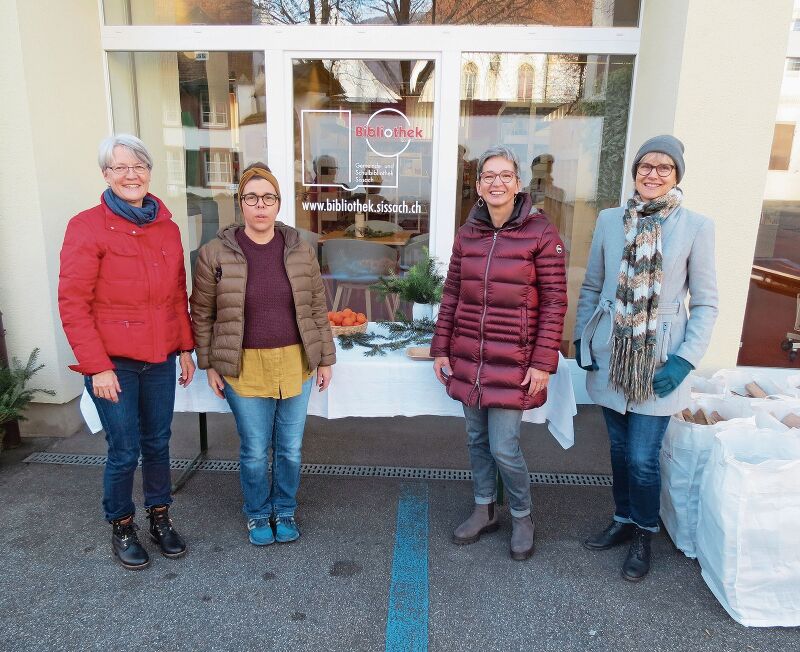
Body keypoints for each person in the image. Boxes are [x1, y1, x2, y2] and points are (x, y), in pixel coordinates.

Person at [574, 135, 718, 582]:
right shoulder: (610, 219)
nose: (653, 174)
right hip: (611, 353)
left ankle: (643, 531)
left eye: (664, 168)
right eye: (645, 166)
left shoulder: (696, 226)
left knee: (642, 456)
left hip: (659, 360)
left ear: (676, 175)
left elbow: (708, 303)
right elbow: (593, 287)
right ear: (635, 171)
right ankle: (622, 518)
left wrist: (685, 360)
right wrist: (584, 339)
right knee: (618, 449)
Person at [58, 134, 195, 570]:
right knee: (124, 449)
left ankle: (160, 518)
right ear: (105, 175)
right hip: (112, 363)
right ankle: (121, 524)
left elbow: (177, 294)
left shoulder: (167, 227)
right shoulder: (86, 226)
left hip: (159, 357)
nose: (131, 175)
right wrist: (97, 367)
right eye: (120, 167)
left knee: (158, 443)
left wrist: (186, 347)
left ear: (149, 172)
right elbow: (73, 303)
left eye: (138, 166)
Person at [430, 145, 567, 561]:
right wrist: (441, 348)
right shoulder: (468, 233)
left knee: (504, 444)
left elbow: (556, 302)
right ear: (477, 186)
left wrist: (544, 361)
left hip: (516, 358)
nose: (497, 183)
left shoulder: (541, 233)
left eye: (505, 175)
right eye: (489, 176)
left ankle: (522, 515)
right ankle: (484, 507)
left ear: (518, 183)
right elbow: (452, 293)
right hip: (470, 353)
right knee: (475, 438)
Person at [190, 163, 335, 546]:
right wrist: (209, 364)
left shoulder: (300, 249)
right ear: (241, 203)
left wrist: (325, 358)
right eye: (251, 198)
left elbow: (317, 307)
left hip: (295, 362)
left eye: (267, 198)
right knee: (255, 449)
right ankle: (257, 514)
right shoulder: (214, 254)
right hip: (243, 366)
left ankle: (284, 509)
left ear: (278, 204)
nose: (260, 206)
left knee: (289, 447)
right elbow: (201, 313)